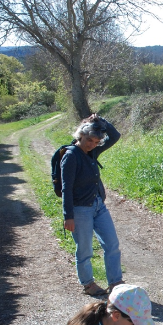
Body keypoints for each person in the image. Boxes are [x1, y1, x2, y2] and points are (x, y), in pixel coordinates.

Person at [61, 114, 124, 296]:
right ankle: (88, 284)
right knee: (85, 249)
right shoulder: (71, 156)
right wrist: (68, 216)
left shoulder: (93, 152)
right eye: (89, 140)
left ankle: (115, 282)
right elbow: (66, 188)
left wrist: (101, 121)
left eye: (96, 142)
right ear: (80, 135)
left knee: (112, 244)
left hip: (98, 205)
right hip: (80, 209)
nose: (92, 144)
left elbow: (115, 136)